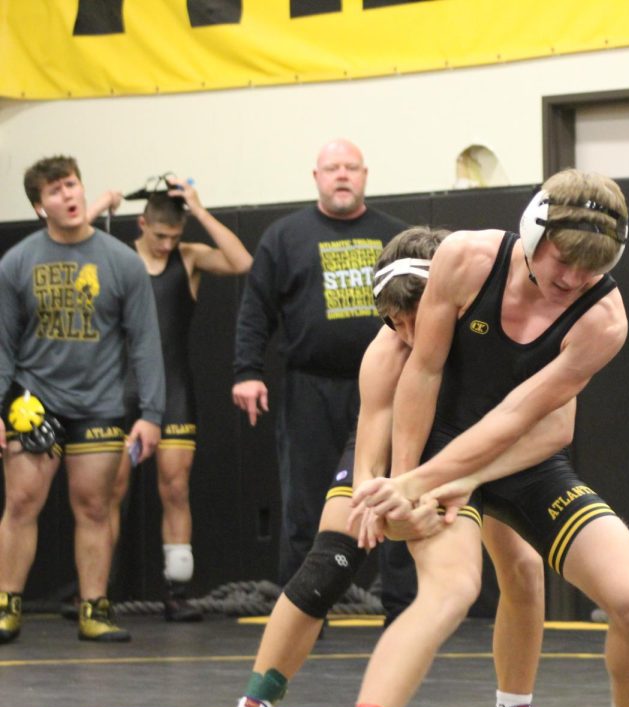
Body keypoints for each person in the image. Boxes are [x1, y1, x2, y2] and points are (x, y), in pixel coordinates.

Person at [305, 169, 629, 707]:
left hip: (518, 458)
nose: (570, 282)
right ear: (534, 229)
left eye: (589, 272)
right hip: (437, 440)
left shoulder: (603, 320)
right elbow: (421, 369)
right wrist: (409, 478)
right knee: (451, 590)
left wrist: (462, 476)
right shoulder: (467, 259)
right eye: (562, 263)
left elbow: (531, 421)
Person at [186, 227, 580, 707]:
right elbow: (373, 446)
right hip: (407, 453)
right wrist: (379, 498)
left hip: (477, 456)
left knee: (523, 570)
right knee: (329, 563)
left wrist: (455, 481)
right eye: (394, 321)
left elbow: (545, 425)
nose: (408, 333)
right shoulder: (388, 351)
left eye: (416, 318)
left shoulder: (499, 333)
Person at [231, 139, 415, 610]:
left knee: (396, 489)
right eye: (332, 168)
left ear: (365, 175)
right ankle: (305, 609)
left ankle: (402, 606)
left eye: (350, 167)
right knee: (305, 501)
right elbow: (255, 310)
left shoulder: (394, 237)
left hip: (391, 383)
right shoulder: (284, 236)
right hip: (310, 387)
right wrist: (247, 371)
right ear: (316, 177)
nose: (342, 175)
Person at [0, 155, 165, 644]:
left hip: (99, 404)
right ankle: (7, 604)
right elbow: (3, 345)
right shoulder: (17, 262)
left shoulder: (121, 262)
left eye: (71, 185)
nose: (68, 196)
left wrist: (152, 414)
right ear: (39, 205)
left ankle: (94, 607)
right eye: (54, 191)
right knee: (21, 501)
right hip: (34, 400)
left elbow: (146, 343)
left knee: (94, 507)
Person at [87, 180, 253, 621]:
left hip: (174, 390)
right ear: (142, 224)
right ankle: (95, 593)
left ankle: (176, 590)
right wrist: (99, 204)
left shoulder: (188, 258)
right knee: (111, 491)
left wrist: (199, 210)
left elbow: (242, 261)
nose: (166, 245)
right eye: (159, 236)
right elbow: (63, 245)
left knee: (176, 488)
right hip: (120, 392)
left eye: (174, 237)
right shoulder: (115, 257)